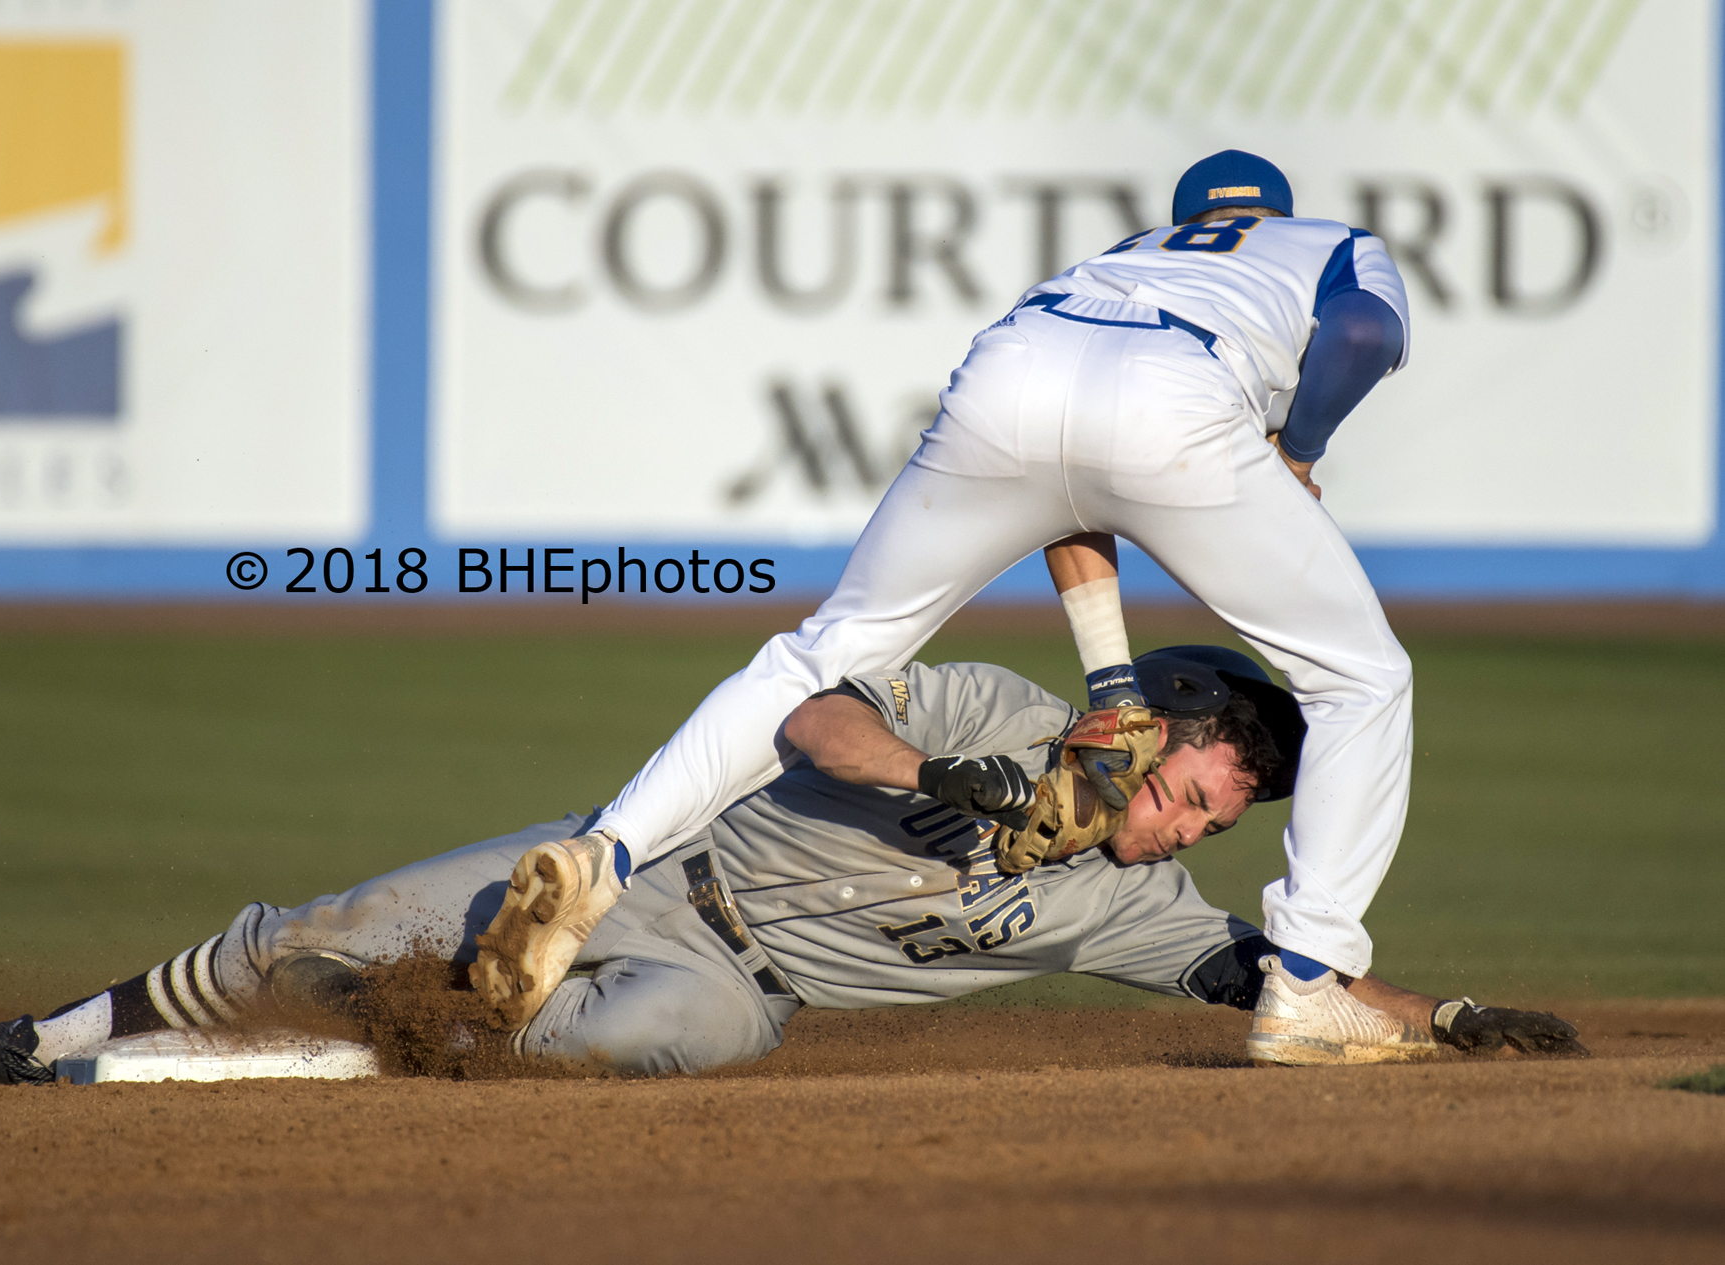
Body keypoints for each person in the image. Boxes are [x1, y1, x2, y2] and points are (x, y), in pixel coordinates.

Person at [471, 150, 1419, 1048]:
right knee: (1361, 679)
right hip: (1179, 387)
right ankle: (1309, 982)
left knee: (823, 650)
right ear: (1273, 216)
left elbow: (1072, 497)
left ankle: (609, 851)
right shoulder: (1327, 244)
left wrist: (1112, 683)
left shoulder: (1126, 259)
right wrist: (1301, 449)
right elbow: (1361, 333)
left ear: (1185, 222)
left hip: (1017, 364)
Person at [0, 650, 1581, 1085]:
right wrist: (955, 780)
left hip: (732, 981)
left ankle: (434, 1018)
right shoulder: (993, 709)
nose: (1201, 828)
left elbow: (1274, 982)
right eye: (1206, 791)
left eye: (1224, 824)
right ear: (1151, 731)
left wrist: (1438, 1017)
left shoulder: (1133, 904)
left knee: (647, 1042)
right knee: (312, 927)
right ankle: (32, 1041)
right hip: (653, 869)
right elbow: (810, 718)